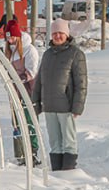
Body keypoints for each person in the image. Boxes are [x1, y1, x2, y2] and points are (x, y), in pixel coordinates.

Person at [31, 18, 87, 171]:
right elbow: (39, 81)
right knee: (55, 143)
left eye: (60, 33)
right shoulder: (47, 54)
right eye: (54, 33)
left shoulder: (75, 54)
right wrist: (35, 103)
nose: (57, 36)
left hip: (66, 106)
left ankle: (68, 172)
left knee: (69, 141)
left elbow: (81, 83)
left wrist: (77, 107)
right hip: (49, 106)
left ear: (66, 34)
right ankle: (57, 173)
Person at [9, 30, 41, 167]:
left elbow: (31, 72)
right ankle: (20, 153)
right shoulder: (11, 51)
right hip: (15, 92)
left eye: (12, 36)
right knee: (16, 122)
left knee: (29, 121)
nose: (9, 39)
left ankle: (32, 153)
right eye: (8, 36)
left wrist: (19, 80)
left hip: (27, 92)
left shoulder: (29, 50)